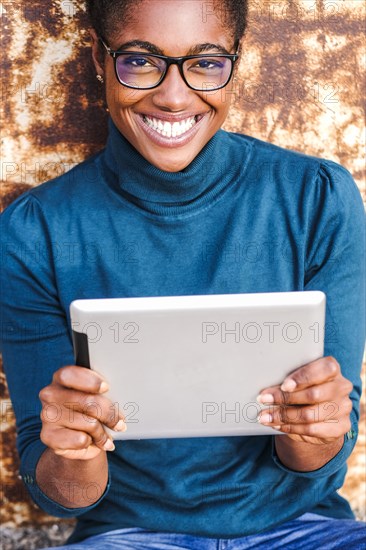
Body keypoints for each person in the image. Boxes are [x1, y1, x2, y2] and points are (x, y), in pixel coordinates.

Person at [1, 1, 365, 548]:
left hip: (304, 529)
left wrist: (316, 427)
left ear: (234, 66)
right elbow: (58, 492)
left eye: (207, 63)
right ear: (100, 60)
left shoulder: (317, 198)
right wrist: (73, 450)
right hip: (129, 535)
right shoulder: (35, 231)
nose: (174, 96)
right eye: (141, 61)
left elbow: (321, 459)